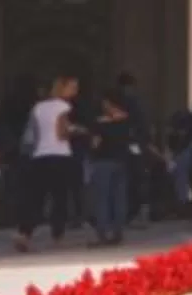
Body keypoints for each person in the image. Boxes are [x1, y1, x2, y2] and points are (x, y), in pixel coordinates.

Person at [18, 76, 83, 253]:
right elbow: (61, 133)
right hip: (60, 155)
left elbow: (32, 133)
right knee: (59, 198)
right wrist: (76, 130)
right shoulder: (64, 107)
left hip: (39, 155)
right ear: (63, 89)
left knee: (36, 197)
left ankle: (25, 233)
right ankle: (58, 236)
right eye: (73, 87)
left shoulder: (38, 107)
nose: (75, 91)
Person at [85, 73, 144, 246]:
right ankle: (118, 232)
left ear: (109, 103)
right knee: (119, 198)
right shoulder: (128, 122)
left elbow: (95, 144)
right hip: (122, 161)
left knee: (102, 198)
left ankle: (102, 233)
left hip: (103, 161)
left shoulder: (100, 123)